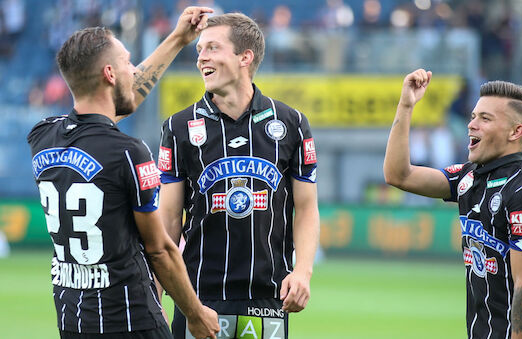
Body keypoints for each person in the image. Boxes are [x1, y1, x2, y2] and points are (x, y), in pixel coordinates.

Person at [27, 6, 220, 339]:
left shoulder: (42, 137)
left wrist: (176, 39)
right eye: (128, 62)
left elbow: (106, 114)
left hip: (73, 321)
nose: (134, 69)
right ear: (110, 74)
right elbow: (159, 249)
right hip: (132, 322)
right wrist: (196, 313)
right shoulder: (129, 153)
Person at [157, 13, 320, 339]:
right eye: (200, 49)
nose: (201, 56)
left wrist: (302, 272)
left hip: (268, 298)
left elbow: (306, 208)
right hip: (197, 299)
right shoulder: (178, 128)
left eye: (213, 48)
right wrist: (157, 290)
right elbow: (169, 220)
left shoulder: (291, 123)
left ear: (245, 57)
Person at [383, 69, 522, 339]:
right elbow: (398, 175)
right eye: (473, 117)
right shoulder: (468, 177)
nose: (472, 124)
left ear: (516, 131)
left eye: (485, 118)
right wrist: (406, 104)